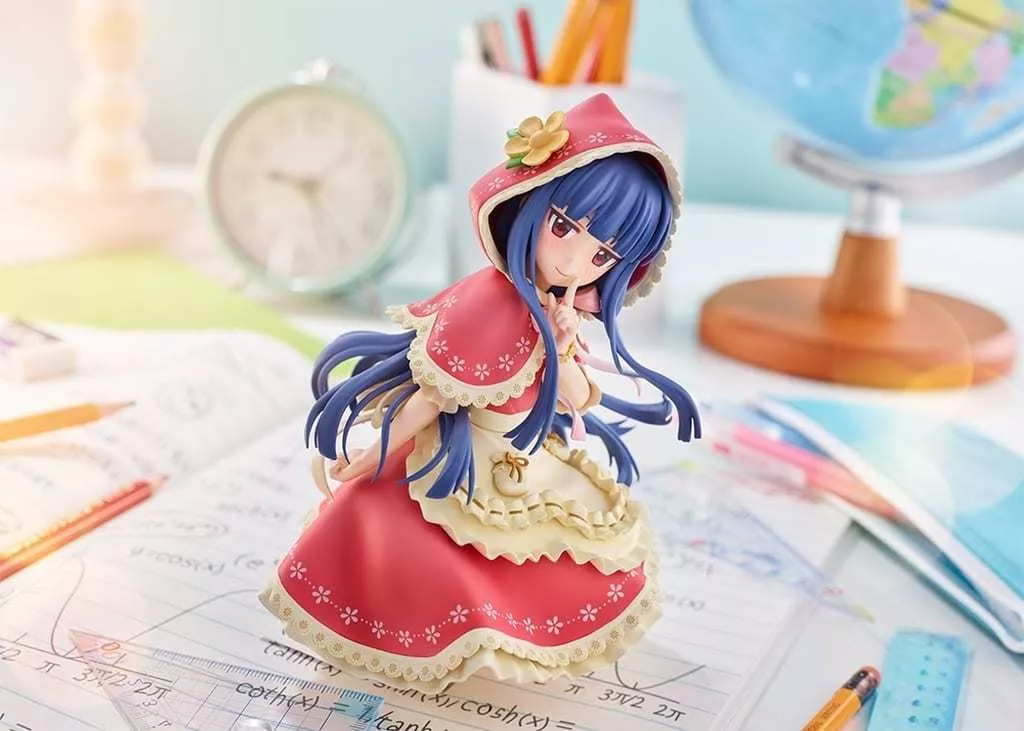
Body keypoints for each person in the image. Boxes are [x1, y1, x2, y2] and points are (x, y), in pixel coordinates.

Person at [260, 93, 700, 692]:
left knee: (559, 554)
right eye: (564, 227)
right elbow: (436, 393)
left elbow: (578, 399)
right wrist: (377, 450)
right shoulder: (488, 300)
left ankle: (504, 643)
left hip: (524, 461)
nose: (575, 261)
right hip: (458, 455)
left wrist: (562, 344)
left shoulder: (560, 313)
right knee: (412, 540)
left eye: (602, 254)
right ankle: (442, 641)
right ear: (530, 203)